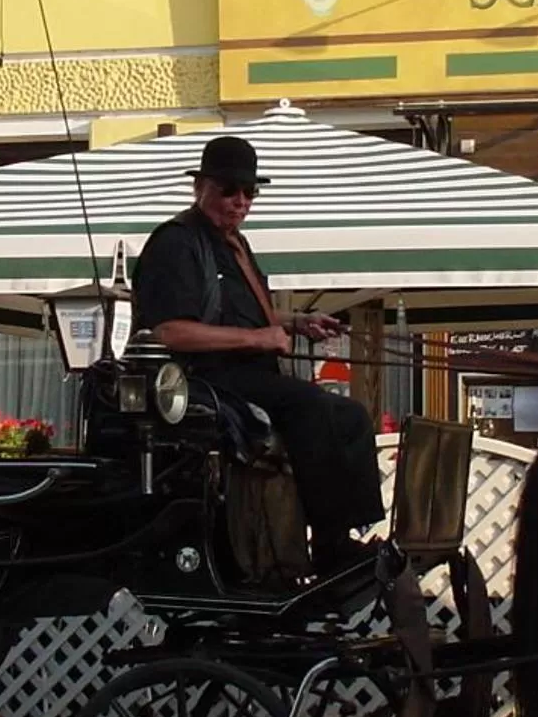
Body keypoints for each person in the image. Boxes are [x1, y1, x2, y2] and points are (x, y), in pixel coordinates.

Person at [130, 133, 383, 572]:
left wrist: (296, 322)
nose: (239, 201)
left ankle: (345, 534)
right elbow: (169, 331)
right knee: (306, 404)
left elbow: (245, 316)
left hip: (252, 375)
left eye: (249, 192)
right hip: (205, 381)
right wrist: (260, 340)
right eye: (228, 190)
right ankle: (328, 547)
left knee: (353, 417)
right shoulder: (177, 242)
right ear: (200, 187)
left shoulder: (236, 246)